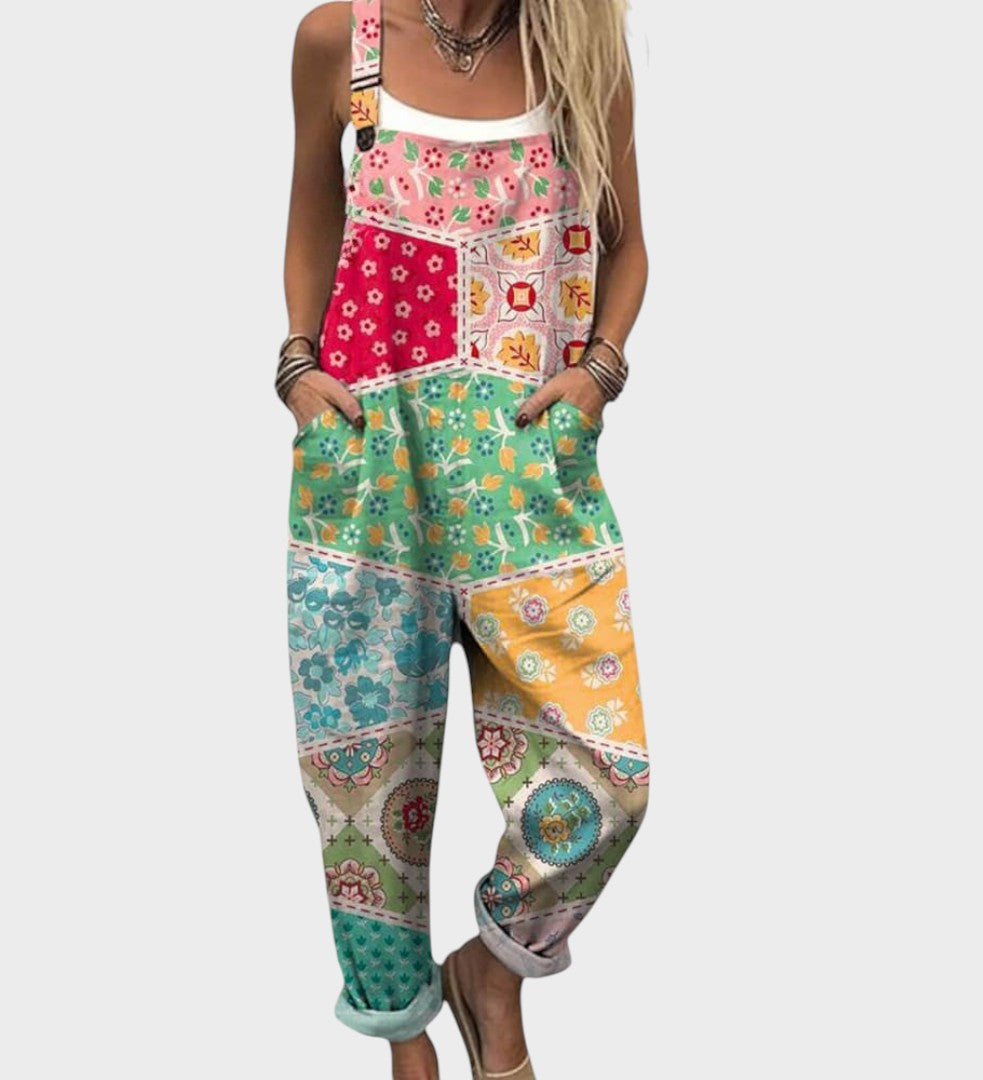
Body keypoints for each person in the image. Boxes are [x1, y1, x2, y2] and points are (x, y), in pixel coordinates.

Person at [277, 2, 650, 1077]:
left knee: (609, 779)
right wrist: (297, 367)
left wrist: (599, 374)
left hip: (527, 479)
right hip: (370, 469)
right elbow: (312, 212)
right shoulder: (340, 41)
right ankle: (404, 1039)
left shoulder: (580, 47)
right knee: (364, 776)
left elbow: (627, 244)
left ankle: (492, 970)